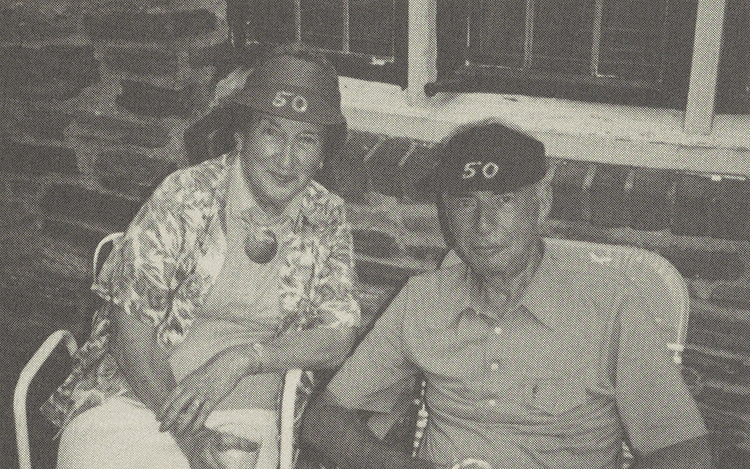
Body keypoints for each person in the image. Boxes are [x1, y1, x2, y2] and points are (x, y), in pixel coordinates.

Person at [301, 119, 712, 469]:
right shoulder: (423, 300)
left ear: (543, 203)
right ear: (446, 212)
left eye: (505, 200)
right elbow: (323, 420)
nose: (484, 224)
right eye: (465, 203)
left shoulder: (610, 305)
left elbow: (683, 451)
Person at [41, 42, 360, 469]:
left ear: (323, 155)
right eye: (270, 132)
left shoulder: (327, 216)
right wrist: (189, 434)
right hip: (139, 395)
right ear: (241, 135)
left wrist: (244, 359)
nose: (286, 159)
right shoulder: (185, 195)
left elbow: (337, 339)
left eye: (306, 140)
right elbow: (128, 335)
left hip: (246, 413)